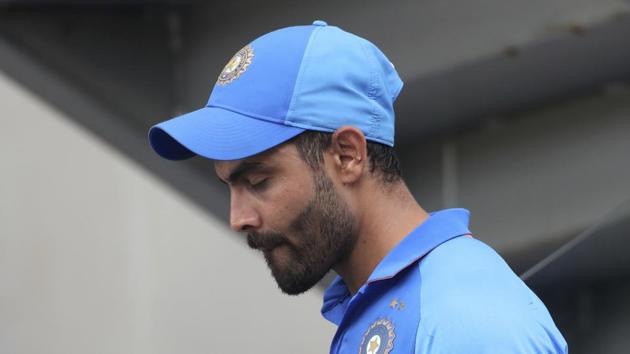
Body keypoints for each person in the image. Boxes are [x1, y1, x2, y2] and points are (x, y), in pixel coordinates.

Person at [148, 20, 568, 354]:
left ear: (348, 154)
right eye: (229, 187)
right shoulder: (388, 305)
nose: (238, 218)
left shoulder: (469, 325)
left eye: (258, 181)